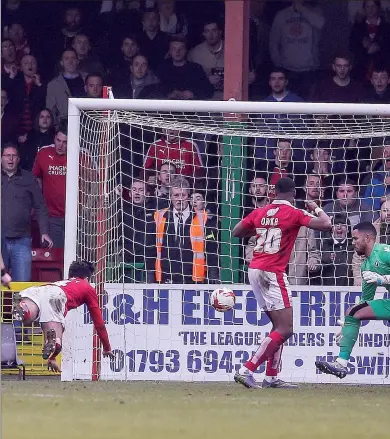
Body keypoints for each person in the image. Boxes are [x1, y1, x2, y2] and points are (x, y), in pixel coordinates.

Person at [232, 177, 332, 388]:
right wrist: (316, 207)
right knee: (286, 329)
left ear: (273, 192)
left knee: (277, 327)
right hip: (272, 272)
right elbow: (326, 224)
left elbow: (236, 231)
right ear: (293, 193)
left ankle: (271, 377)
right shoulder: (294, 213)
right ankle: (246, 369)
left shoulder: (260, 212)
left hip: (254, 269)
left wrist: (261, 230)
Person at [315, 222, 390, 379]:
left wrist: (383, 279)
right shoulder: (365, 266)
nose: (353, 242)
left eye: (355, 238)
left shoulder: (384, 252)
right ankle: (341, 364)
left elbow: (381, 281)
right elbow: (366, 300)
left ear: (367, 238)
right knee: (353, 312)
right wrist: (347, 326)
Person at [12, 260, 115, 372]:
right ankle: (53, 342)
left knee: (27, 319)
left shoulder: (64, 282)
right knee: (56, 339)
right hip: (57, 296)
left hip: (39, 290)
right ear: (87, 278)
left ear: (70, 275)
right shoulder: (87, 287)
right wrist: (107, 347)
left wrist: (52, 358)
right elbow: (99, 324)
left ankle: (23, 308)